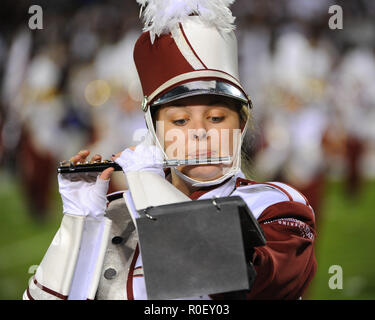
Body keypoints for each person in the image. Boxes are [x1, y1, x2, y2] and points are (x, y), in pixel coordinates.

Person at [23, 0, 316, 300]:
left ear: (240, 126)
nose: (200, 132)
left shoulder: (277, 205)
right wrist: (79, 229)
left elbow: (239, 286)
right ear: (155, 132)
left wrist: (153, 193)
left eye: (216, 118)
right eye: (179, 120)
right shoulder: (117, 214)